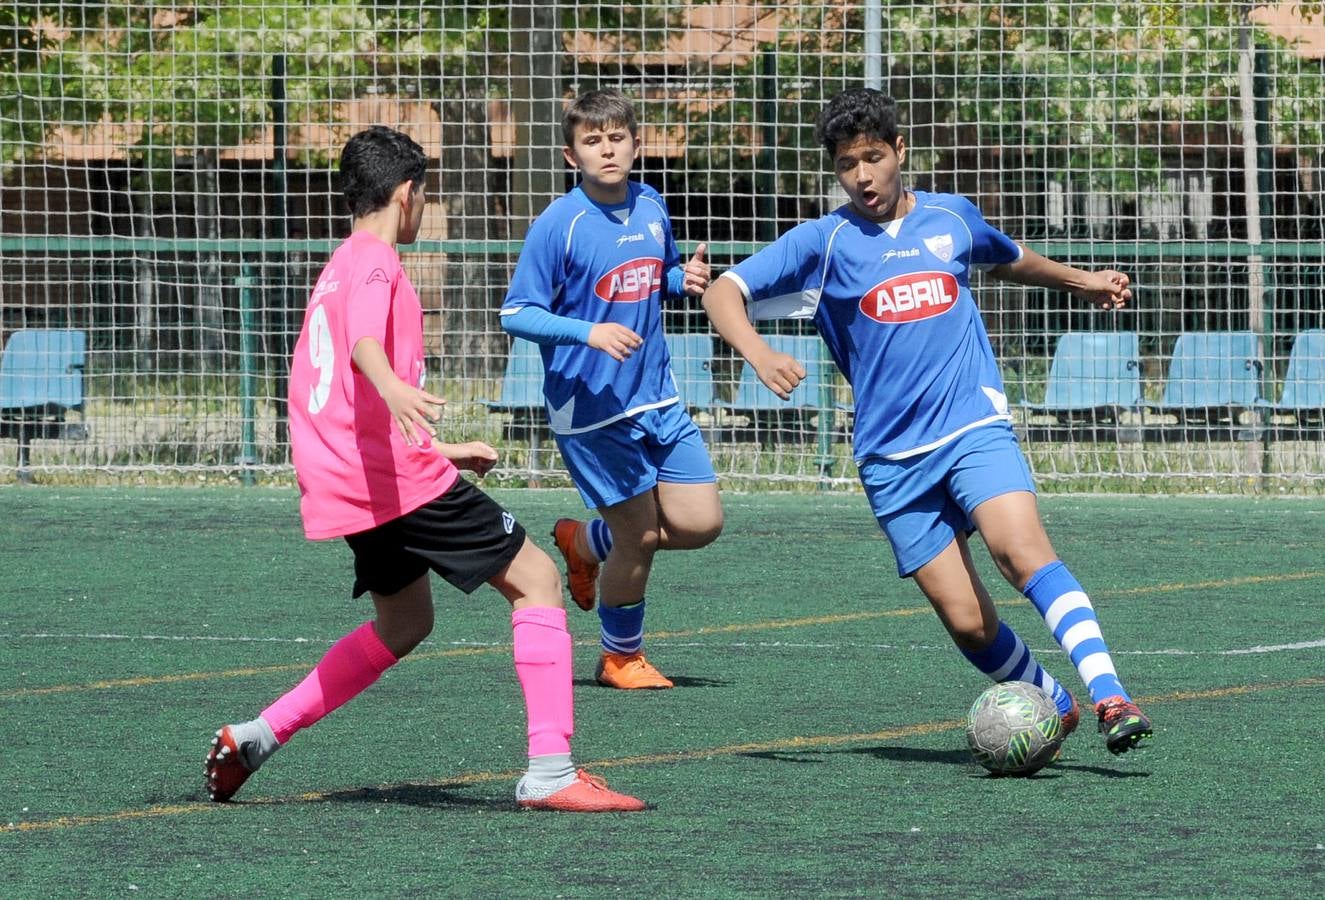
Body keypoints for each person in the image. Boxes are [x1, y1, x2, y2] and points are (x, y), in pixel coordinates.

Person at [204, 125, 645, 811]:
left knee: (404, 624)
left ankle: (258, 736)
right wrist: (393, 386)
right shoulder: (376, 263)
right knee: (536, 579)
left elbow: (341, 395)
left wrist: (437, 449)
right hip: (390, 484)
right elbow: (360, 345)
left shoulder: (338, 264)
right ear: (408, 193)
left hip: (350, 485)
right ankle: (551, 771)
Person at [702, 89, 1153, 756]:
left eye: (874, 157)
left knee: (1020, 554)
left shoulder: (950, 218)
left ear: (899, 152)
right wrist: (758, 351)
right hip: (891, 460)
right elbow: (723, 291)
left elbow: (1006, 258)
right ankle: (1051, 704)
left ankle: (1110, 694)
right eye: (847, 164)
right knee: (970, 625)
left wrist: (1080, 280)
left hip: (971, 426)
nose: (862, 176)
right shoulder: (821, 242)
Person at [500, 89, 723, 690]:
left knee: (702, 523)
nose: (607, 149)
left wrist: (685, 279)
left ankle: (584, 541)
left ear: (636, 144)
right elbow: (516, 313)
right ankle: (619, 657)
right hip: (593, 411)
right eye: (592, 141)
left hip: (659, 398)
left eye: (617, 137)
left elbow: (660, 275)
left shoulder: (652, 204)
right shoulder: (558, 224)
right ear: (572, 155)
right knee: (642, 537)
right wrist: (587, 332)